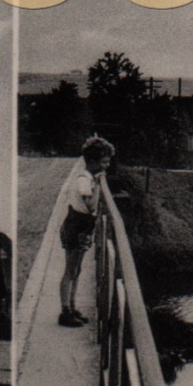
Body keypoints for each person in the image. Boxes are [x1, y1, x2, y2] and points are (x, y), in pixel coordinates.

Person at [59, 135, 115, 327]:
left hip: (82, 225)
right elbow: (91, 206)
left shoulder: (89, 176)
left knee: (77, 269)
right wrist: (99, 184)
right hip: (76, 225)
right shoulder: (84, 179)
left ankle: (72, 307)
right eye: (104, 162)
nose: (107, 166)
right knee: (70, 270)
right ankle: (65, 311)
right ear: (92, 161)